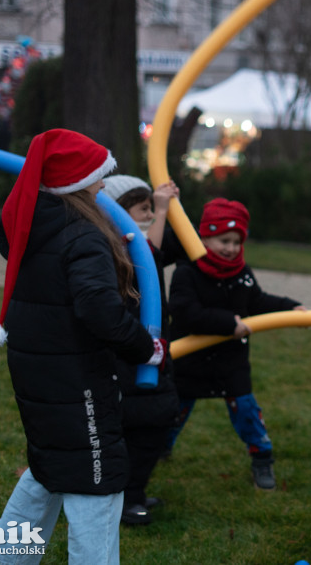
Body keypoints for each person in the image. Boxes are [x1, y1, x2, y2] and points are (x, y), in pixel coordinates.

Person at [0, 129, 164, 565]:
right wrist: (146, 348)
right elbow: (98, 310)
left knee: (51, 463)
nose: (104, 185)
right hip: (75, 379)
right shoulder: (82, 236)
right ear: (79, 183)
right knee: (96, 478)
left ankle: (5, 558)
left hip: (38, 371)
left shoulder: (33, 223)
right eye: (99, 176)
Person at [167, 197, 304, 490]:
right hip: (188, 361)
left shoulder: (241, 273)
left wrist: (289, 308)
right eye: (222, 240)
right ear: (203, 237)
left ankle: (262, 458)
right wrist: (228, 323)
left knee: (246, 411)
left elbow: (257, 301)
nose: (230, 248)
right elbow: (185, 312)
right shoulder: (186, 272)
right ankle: (157, 449)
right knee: (170, 412)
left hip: (231, 362)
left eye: (236, 241)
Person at [102, 175, 182, 525]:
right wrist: (162, 209)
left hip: (150, 355)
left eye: (151, 208)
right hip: (127, 357)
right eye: (143, 208)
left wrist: (166, 208)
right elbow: (148, 252)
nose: (150, 214)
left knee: (155, 422)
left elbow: (157, 249)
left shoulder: (140, 247)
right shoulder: (116, 250)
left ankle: (130, 492)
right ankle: (123, 497)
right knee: (136, 424)